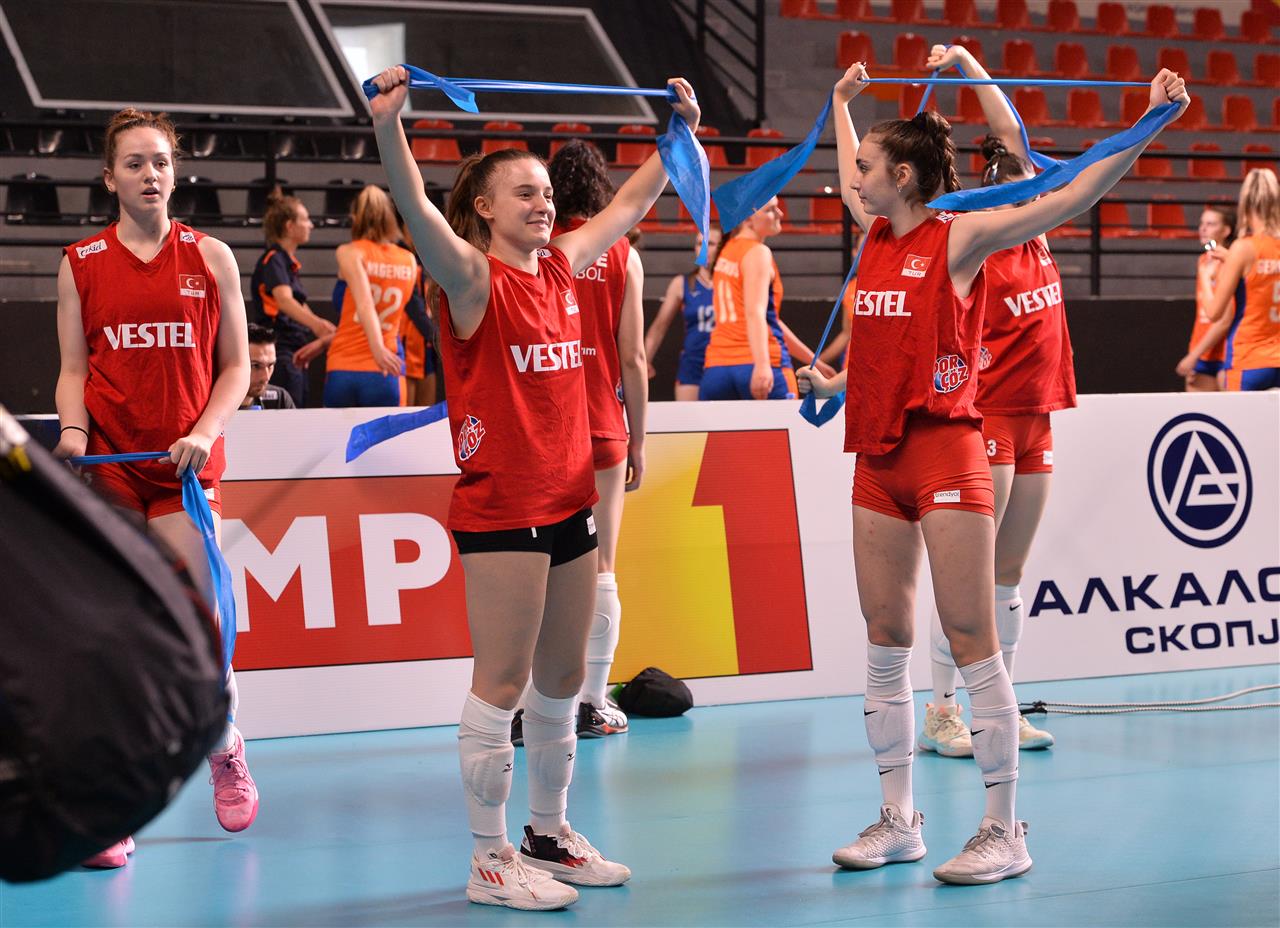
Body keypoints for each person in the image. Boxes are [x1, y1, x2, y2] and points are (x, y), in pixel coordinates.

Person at [798, 62, 1188, 885]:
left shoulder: (960, 237)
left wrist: (1151, 122)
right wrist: (837, 105)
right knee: (885, 640)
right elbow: (851, 197)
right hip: (877, 457)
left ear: (904, 177)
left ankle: (1003, 830)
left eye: (866, 168)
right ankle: (898, 820)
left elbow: (1073, 196)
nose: (853, 181)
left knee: (972, 638)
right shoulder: (876, 236)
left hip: (947, 451)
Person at [368, 65, 699, 910]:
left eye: (548, 193)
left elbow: (628, 206)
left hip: (570, 504)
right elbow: (415, 209)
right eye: (525, 193)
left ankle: (547, 834)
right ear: (485, 207)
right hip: (502, 511)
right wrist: (389, 127)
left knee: (561, 681)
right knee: (503, 682)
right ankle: (489, 857)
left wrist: (678, 135)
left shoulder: (561, 267)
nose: (544, 204)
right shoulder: (472, 279)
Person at [52, 107, 258, 868]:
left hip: (185, 471)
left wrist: (203, 431)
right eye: (135, 163)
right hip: (109, 467)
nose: (150, 174)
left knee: (198, 627)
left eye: (161, 162)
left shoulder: (212, 257)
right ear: (109, 178)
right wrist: (73, 433)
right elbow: (74, 370)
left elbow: (236, 367)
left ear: (176, 173)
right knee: (111, 637)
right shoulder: (79, 262)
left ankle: (224, 743)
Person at [915, 44, 1073, 761]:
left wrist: (968, 64)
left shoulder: (1038, 237)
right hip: (987, 418)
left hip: (1038, 416)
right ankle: (943, 711)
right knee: (969, 578)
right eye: (1027, 192)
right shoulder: (980, 247)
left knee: (1009, 576)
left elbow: (1010, 132)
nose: (1040, 198)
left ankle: (1000, 707)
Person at [542, 139, 647, 738]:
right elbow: (634, 358)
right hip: (605, 426)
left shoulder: (539, 251)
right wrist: (639, 441)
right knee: (603, 565)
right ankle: (592, 701)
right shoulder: (621, 253)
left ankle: (535, 706)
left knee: (541, 566)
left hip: (547, 430)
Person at [701, 197, 832, 399]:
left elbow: (768, 320)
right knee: (787, 421)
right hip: (759, 364)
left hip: (717, 368)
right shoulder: (757, 252)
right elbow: (755, 314)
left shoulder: (726, 251)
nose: (780, 214)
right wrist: (762, 365)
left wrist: (815, 361)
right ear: (748, 218)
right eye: (770, 210)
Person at [1179, 169, 1280, 391]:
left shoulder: (1243, 248)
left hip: (1249, 357)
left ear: (1246, 204)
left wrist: (1205, 277)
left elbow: (1214, 312)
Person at [321, 185, 418, 408]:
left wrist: (376, 349)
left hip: (344, 365)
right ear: (389, 218)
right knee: (389, 432)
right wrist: (380, 350)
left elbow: (364, 304)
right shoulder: (409, 260)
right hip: (387, 367)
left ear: (356, 218)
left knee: (335, 433)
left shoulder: (349, 252)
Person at [249, 190, 333, 406]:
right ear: (289, 226)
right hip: (281, 350)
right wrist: (317, 326)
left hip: (295, 350)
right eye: (305, 219)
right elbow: (285, 300)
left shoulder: (288, 263)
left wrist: (322, 325)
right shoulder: (274, 259)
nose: (311, 225)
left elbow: (298, 302)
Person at [644, 229, 722, 400]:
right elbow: (659, 327)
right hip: (693, 364)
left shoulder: (732, 283)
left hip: (723, 361)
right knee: (690, 417)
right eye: (699, 244)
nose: (703, 249)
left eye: (710, 244)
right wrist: (644, 361)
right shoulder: (682, 283)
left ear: (722, 247)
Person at [1181, 206, 1236, 392]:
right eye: (1202, 223)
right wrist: (1194, 351)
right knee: (1196, 408)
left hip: (1226, 353)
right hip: (1202, 352)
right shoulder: (1203, 260)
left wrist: (1193, 356)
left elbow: (1224, 320)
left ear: (1226, 230)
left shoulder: (1231, 262)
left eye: (1211, 224)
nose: (1203, 229)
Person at [241, 323, 297, 409]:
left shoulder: (280, 399)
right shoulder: (217, 402)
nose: (266, 377)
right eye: (255, 366)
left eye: (270, 365)